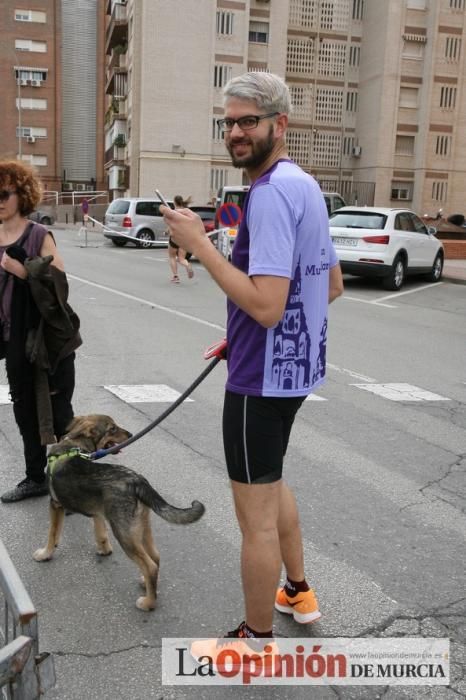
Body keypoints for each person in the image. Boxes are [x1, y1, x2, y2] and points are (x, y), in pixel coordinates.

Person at [161, 72, 343, 657]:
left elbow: (266, 304)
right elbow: (329, 286)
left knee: (254, 517)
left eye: (248, 121)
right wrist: (238, 334)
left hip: (261, 380)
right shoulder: (305, 185)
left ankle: (256, 640)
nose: (236, 132)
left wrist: (201, 245)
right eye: (229, 122)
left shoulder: (267, 194)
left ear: (279, 125)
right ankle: (297, 590)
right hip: (292, 371)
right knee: (271, 480)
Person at [0, 160, 82, 503]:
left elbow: (59, 286)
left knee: (58, 410)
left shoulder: (38, 235)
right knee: (23, 407)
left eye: (4, 193)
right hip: (12, 338)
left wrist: (24, 271)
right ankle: (35, 477)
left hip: (45, 341)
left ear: (23, 194)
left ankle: (76, 479)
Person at [167, 195, 194, 283]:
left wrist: (167, 231)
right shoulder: (187, 212)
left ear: (174, 202)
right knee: (182, 259)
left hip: (175, 238)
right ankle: (187, 265)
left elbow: (171, 225)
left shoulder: (173, 213)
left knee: (172, 256)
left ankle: (176, 276)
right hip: (185, 238)